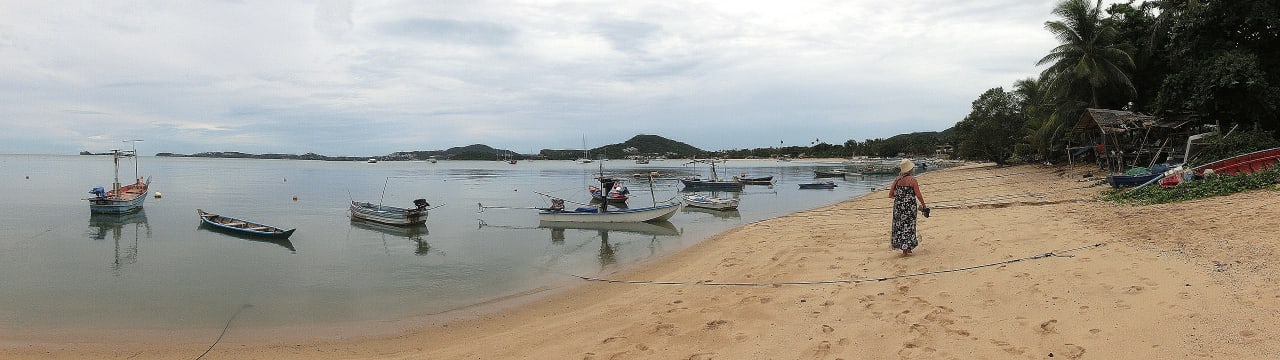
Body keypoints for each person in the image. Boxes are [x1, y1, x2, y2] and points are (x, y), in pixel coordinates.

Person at [888, 159, 928, 255]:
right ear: (910, 170)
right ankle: (907, 248)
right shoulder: (912, 180)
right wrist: (924, 205)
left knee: (899, 226)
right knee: (910, 226)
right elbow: (918, 195)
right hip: (910, 207)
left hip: (898, 207)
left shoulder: (897, 179)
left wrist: (900, 198)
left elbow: (890, 195)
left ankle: (904, 248)